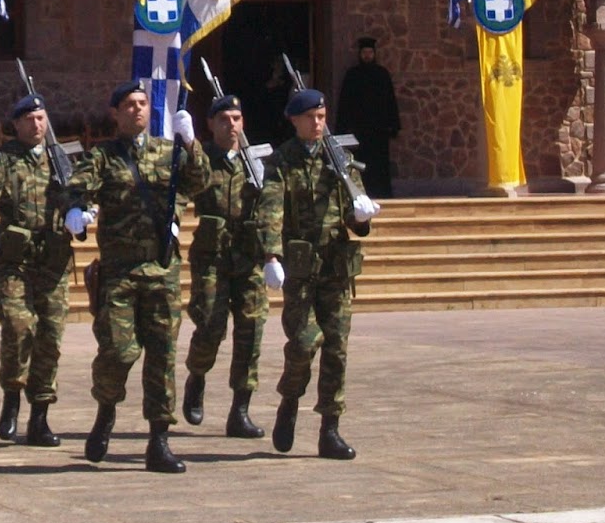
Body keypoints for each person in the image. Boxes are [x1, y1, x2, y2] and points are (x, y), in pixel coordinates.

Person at [66, 81, 208, 473]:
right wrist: (77, 209)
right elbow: (77, 186)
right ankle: (106, 408)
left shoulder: (169, 152)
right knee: (118, 350)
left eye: (143, 103)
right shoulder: (104, 156)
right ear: (116, 112)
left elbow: (201, 182)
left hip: (162, 270)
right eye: (129, 105)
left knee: (162, 356)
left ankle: (158, 440)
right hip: (121, 273)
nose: (137, 110)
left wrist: (192, 144)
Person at [259, 88, 379, 458]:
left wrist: (361, 216)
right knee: (304, 343)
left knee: (337, 348)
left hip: (336, 266)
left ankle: (330, 428)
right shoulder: (281, 161)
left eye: (322, 116)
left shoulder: (338, 156)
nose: (317, 123)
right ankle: (290, 400)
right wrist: (270, 255)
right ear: (294, 120)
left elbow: (354, 208)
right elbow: (271, 209)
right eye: (310, 117)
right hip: (300, 268)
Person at [0, 93, 76, 447]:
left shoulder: (62, 158)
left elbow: (85, 189)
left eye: (41, 117)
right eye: (29, 118)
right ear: (16, 124)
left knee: (50, 336)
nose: (36, 124)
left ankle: (40, 415)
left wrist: (83, 211)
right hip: (15, 260)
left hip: (54, 259)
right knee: (17, 326)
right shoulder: (3, 159)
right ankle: (12, 395)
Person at [181, 93, 268, 439]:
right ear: (211, 124)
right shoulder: (202, 159)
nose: (231, 125)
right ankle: (197, 376)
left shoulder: (255, 160)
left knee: (251, 330)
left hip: (249, 257)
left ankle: (240, 411)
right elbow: (188, 188)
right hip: (212, 258)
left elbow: (273, 204)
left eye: (236, 118)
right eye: (224, 120)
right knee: (210, 327)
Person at [336, 37, 401, 198]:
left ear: (374, 54)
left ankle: (382, 193)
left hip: (379, 131)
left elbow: (390, 101)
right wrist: (343, 129)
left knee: (379, 165)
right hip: (359, 130)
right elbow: (344, 103)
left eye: (369, 52)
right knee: (359, 164)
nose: (367, 56)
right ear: (360, 54)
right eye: (364, 53)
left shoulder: (382, 74)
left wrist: (393, 125)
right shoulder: (352, 76)